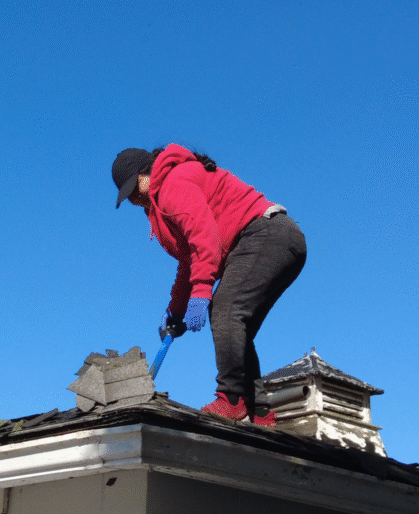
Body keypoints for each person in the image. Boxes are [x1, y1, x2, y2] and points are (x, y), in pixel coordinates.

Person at [112, 143, 306, 425]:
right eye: (126, 195)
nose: (132, 200)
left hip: (265, 234)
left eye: (133, 189)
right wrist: (175, 310)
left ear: (146, 174)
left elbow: (205, 240)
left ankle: (231, 400)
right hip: (273, 240)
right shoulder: (160, 201)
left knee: (226, 312)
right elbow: (189, 259)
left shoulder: (172, 186)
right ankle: (260, 412)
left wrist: (201, 293)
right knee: (238, 326)